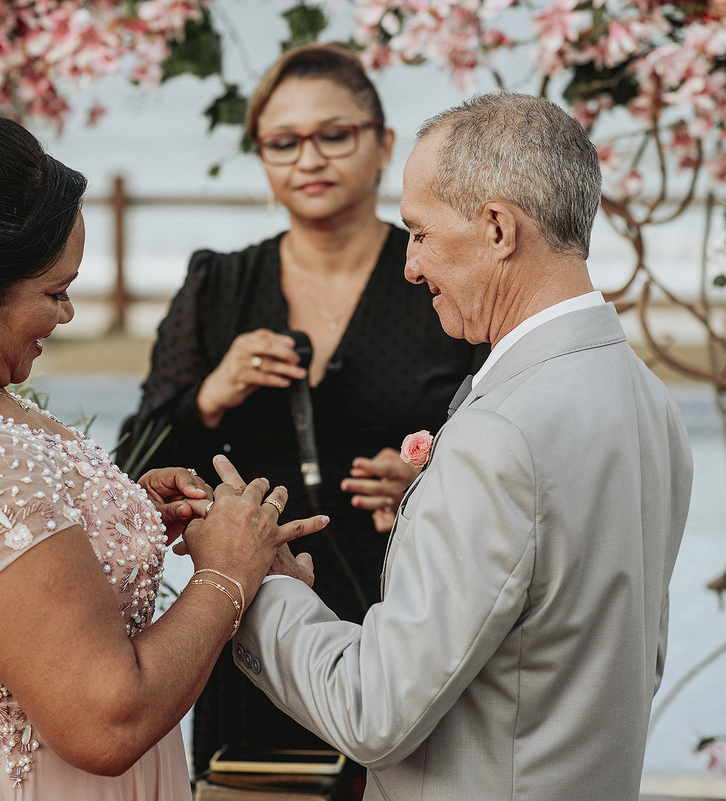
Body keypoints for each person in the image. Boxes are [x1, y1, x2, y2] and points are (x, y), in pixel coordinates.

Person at [0, 115, 327, 801]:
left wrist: (116, 514)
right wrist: (228, 574)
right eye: (54, 292)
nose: (67, 313)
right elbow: (107, 719)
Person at [231, 91, 694, 800]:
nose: (411, 266)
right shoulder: (645, 396)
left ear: (499, 228)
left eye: (419, 232)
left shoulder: (499, 434)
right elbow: (618, 657)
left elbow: (374, 713)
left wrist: (260, 590)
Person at [118, 43, 485, 773]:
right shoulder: (219, 286)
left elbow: (505, 436)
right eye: (283, 142)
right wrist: (212, 394)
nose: (308, 158)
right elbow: (133, 461)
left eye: (334, 134)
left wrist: (429, 482)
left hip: (411, 620)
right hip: (252, 626)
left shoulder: (436, 281)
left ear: (382, 145)